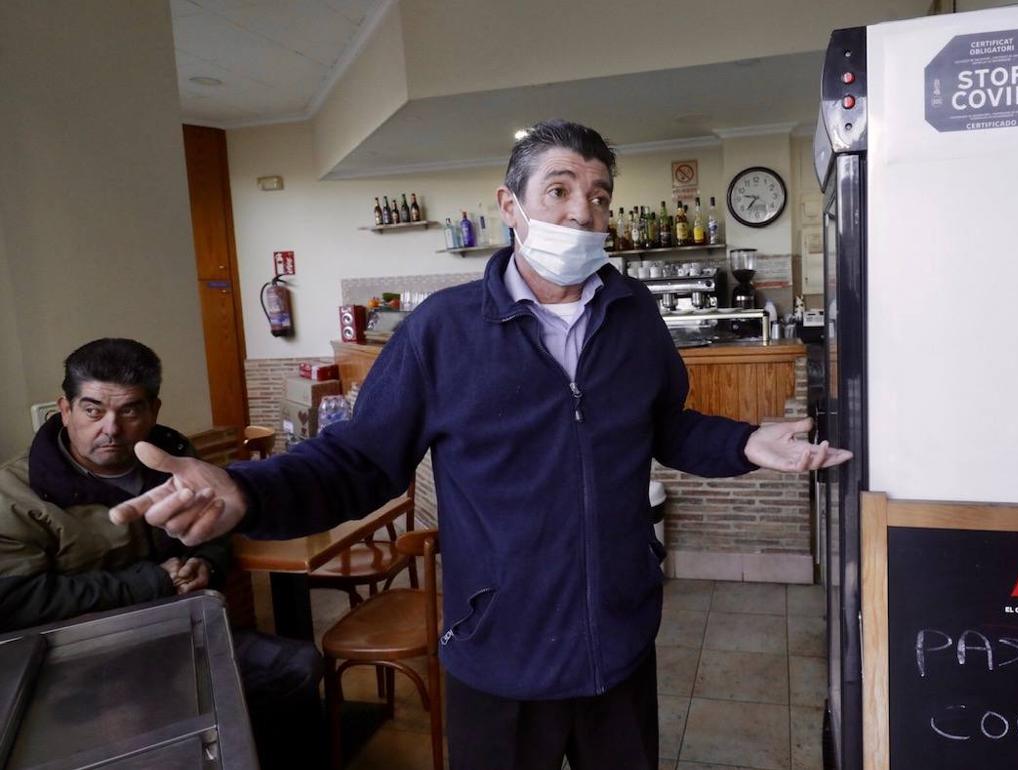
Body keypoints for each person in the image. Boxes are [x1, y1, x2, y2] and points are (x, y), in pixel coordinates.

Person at [110, 119, 852, 770]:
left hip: (617, 639)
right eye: (558, 191)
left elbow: (663, 424)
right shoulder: (444, 330)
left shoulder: (632, 316)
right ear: (510, 206)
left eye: (597, 195)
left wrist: (750, 442)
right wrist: (248, 491)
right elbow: (361, 458)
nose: (581, 211)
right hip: (499, 647)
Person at [0, 338, 324, 769]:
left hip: (180, 633)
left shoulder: (172, 458)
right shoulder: (15, 495)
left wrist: (205, 563)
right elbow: (14, 600)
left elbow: (211, 528)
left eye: (129, 410)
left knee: (297, 665)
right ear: (65, 408)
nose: (110, 428)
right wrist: (155, 581)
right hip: (78, 663)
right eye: (93, 410)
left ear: (153, 411)